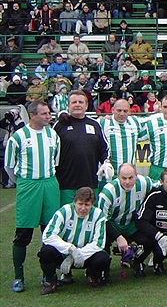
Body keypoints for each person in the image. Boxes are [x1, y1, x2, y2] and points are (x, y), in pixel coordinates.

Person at [5, 100, 61, 293]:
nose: (48, 117)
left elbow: (56, 160)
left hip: (49, 184)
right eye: (44, 114)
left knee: (50, 232)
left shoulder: (53, 135)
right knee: (23, 233)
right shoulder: (19, 137)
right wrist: (24, 181)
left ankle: (48, 274)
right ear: (32, 115)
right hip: (28, 185)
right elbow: (9, 166)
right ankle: (18, 277)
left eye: (49, 113)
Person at [38, 187, 111, 294]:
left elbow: (99, 243)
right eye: (80, 204)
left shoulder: (98, 214)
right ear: (74, 202)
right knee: (46, 251)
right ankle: (51, 281)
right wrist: (70, 249)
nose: (83, 208)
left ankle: (92, 274)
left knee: (103, 258)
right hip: (63, 255)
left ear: (92, 204)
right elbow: (47, 236)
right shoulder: (64, 211)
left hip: (84, 256)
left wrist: (76, 255)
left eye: (87, 205)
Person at [96, 163, 155, 276]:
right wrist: (118, 237)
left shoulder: (144, 182)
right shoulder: (108, 192)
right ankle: (103, 270)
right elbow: (102, 220)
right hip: (113, 224)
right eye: (124, 178)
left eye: (131, 178)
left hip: (131, 224)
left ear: (136, 176)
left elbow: (160, 186)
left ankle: (137, 261)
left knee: (149, 240)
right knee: (102, 243)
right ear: (118, 177)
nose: (127, 182)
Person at [54, 91, 110, 205]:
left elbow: (104, 148)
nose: (77, 105)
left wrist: (106, 162)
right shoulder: (59, 125)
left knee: (89, 216)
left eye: (81, 102)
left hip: (90, 181)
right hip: (66, 183)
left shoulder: (95, 125)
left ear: (86, 105)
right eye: (74, 102)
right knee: (68, 216)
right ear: (68, 106)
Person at [98, 98, 145, 173]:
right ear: (113, 110)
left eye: (125, 111)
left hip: (128, 175)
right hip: (108, 174)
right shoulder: (102, 123)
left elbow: (151, 121)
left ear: (129, 111)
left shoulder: (135, 122)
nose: (122, 114)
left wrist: (157, 112)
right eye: (119, 110)